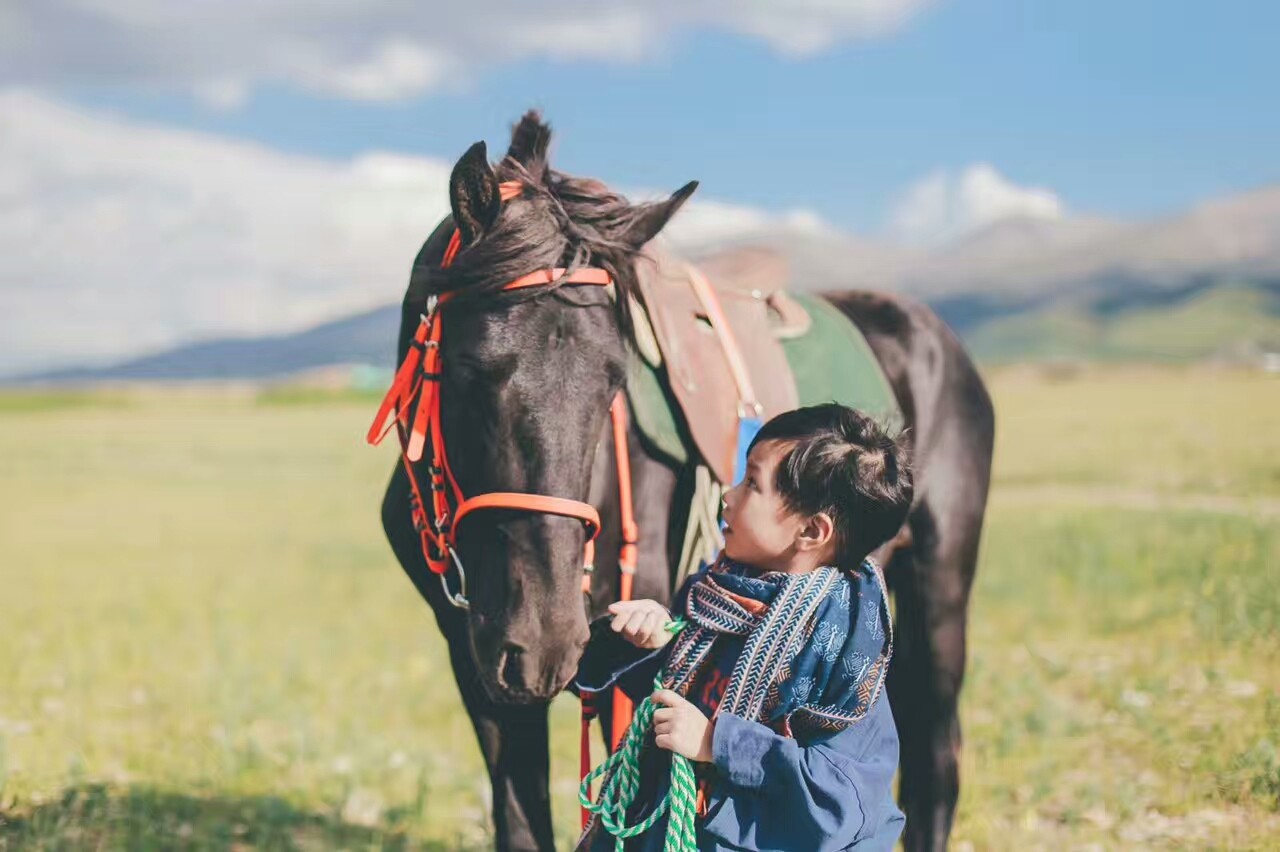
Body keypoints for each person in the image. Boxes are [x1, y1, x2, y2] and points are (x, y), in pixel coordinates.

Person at [573, 403, 913, 852]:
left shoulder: (845, 652)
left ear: (811, 531)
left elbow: (840, 799)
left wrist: (720, 743)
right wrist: (638, 645)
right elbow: (672, 700)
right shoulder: (716, 594)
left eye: (752, 483)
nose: (727, 496)